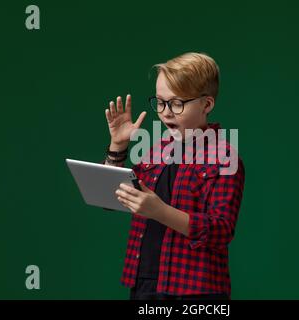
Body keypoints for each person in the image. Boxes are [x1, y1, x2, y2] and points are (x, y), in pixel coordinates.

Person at [102, 52, 245, 300]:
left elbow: (222, 230)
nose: (166, 112)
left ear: (206, 104)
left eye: (177, 103)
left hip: (193, 289)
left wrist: (160, 211)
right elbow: (109, 199)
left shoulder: (224, 157)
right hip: (145, 282)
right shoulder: (155, 150)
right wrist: (118, 146)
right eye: (160, 102)